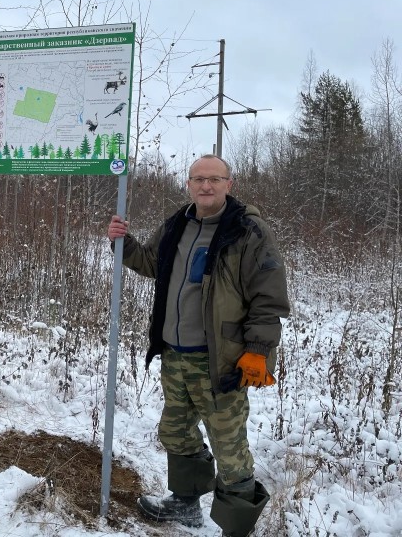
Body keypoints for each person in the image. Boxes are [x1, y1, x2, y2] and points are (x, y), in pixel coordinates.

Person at [107, 154, 289, 537]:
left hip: (221, 360)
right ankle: (186, 503)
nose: (206, 186)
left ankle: (236, 527)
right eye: (198, 179)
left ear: (229, 184)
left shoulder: (247, 231)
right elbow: (152, 263)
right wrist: (122, 242)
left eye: (214, 179)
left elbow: (269, 298)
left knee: (229, 447)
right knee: (175, 431)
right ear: (188, 184)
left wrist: (258, 350)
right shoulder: (178, 223)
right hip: (176, 355)